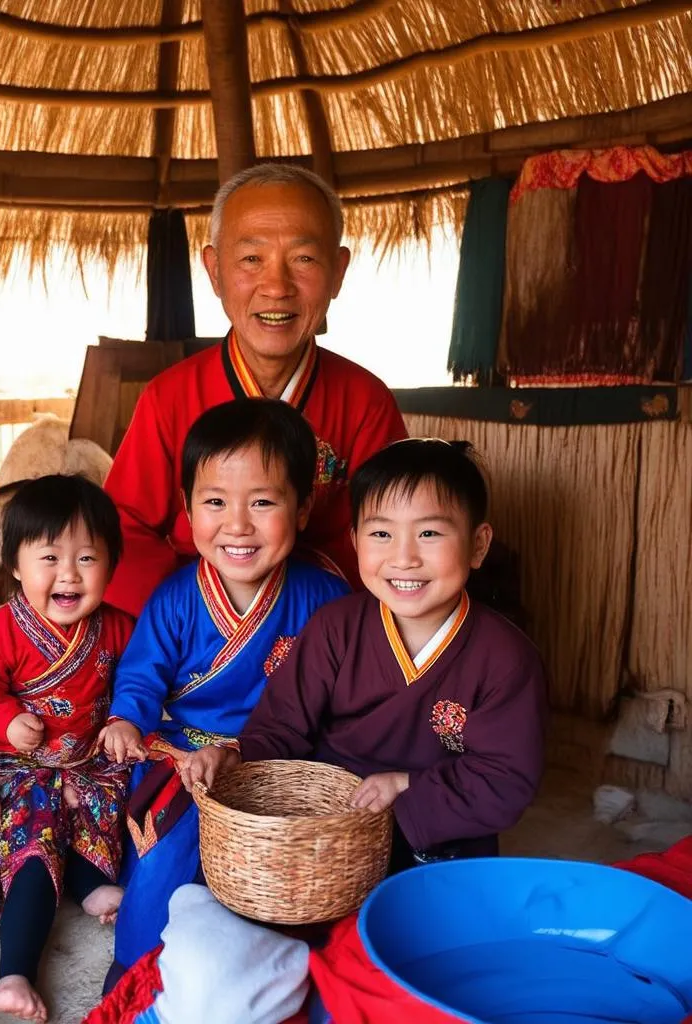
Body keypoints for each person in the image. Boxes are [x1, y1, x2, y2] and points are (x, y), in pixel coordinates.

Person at [199, 439, 549, 871]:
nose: (403, 558)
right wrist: (236, 753)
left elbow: (504, 780)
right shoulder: (336, 626)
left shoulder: (506, 659)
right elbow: (282, 727)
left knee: (415, 927)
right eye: (381, 533)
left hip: (436, 832)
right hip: (330, 821)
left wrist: (406, 786)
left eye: (429, 533)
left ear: (478, 544)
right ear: (355, 541)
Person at [99, 398, 350, 983]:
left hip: (282, 759)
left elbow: (350, 693)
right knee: (169, 856)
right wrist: (128, 720)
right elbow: (141, 675)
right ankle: (133, 974)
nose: (238, 525)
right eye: (215, 502)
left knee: (300, 872)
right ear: (186, 509)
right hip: (187, 756)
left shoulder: (327, 599)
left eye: (263, 502)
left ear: (304, 507)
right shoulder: (176, 596)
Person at [104, 163, 407, 617]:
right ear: (214, 271)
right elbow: (120, 531)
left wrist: (299, 611)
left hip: (323, 629)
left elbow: (394, 537)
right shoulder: (169, 397)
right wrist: (194, 613)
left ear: (338, 272)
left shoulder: (365, 401)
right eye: (251, 259)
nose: (276, 286)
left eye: (303, 258)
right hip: (194, 635)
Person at [0, 475, 134, 1022]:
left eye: (87, 558)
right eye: (49, 557)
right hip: (19, 764)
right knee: (34, 836)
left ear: (111, 565)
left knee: (103, 820)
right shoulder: (2, 628)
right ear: (14, 565)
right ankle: (15, 973)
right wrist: (7, 721)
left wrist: (127, 719)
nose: (68, 574)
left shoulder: (120, 628)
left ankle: (90, 884)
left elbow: (137, 681)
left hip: (90, 762)